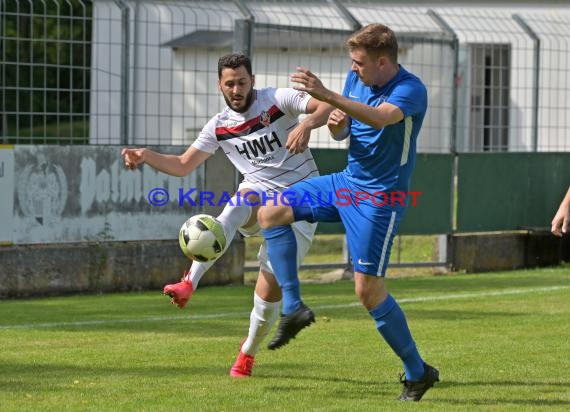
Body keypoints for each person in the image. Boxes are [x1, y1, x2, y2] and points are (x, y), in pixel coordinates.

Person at [256, 24, 439, 401]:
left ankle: (418, 372)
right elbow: (342, 126)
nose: (353, 69)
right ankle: (293, 308)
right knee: (270, 212)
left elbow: (380, 118)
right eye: (352, 63)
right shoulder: (355, 79)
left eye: (359, 63)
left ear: (382, 62)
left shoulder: (410, 89)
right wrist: (317, 122)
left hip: (379, 199)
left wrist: (329, 96)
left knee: (367, 290)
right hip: (346, 182)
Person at [122, 53, 332, 378]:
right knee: (236, 204)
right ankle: (189, 282)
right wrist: (147, 155)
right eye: (230, 83)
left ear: (253, 81)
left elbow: (326, 105)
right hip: (257, 194)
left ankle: (247, 352)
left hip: (298, 202)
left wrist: (305, 125)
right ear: (219, 84)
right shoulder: (219, 126)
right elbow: (183, 164)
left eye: (242, 82)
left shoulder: (277, 99)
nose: (237, 89)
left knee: (267, 293)